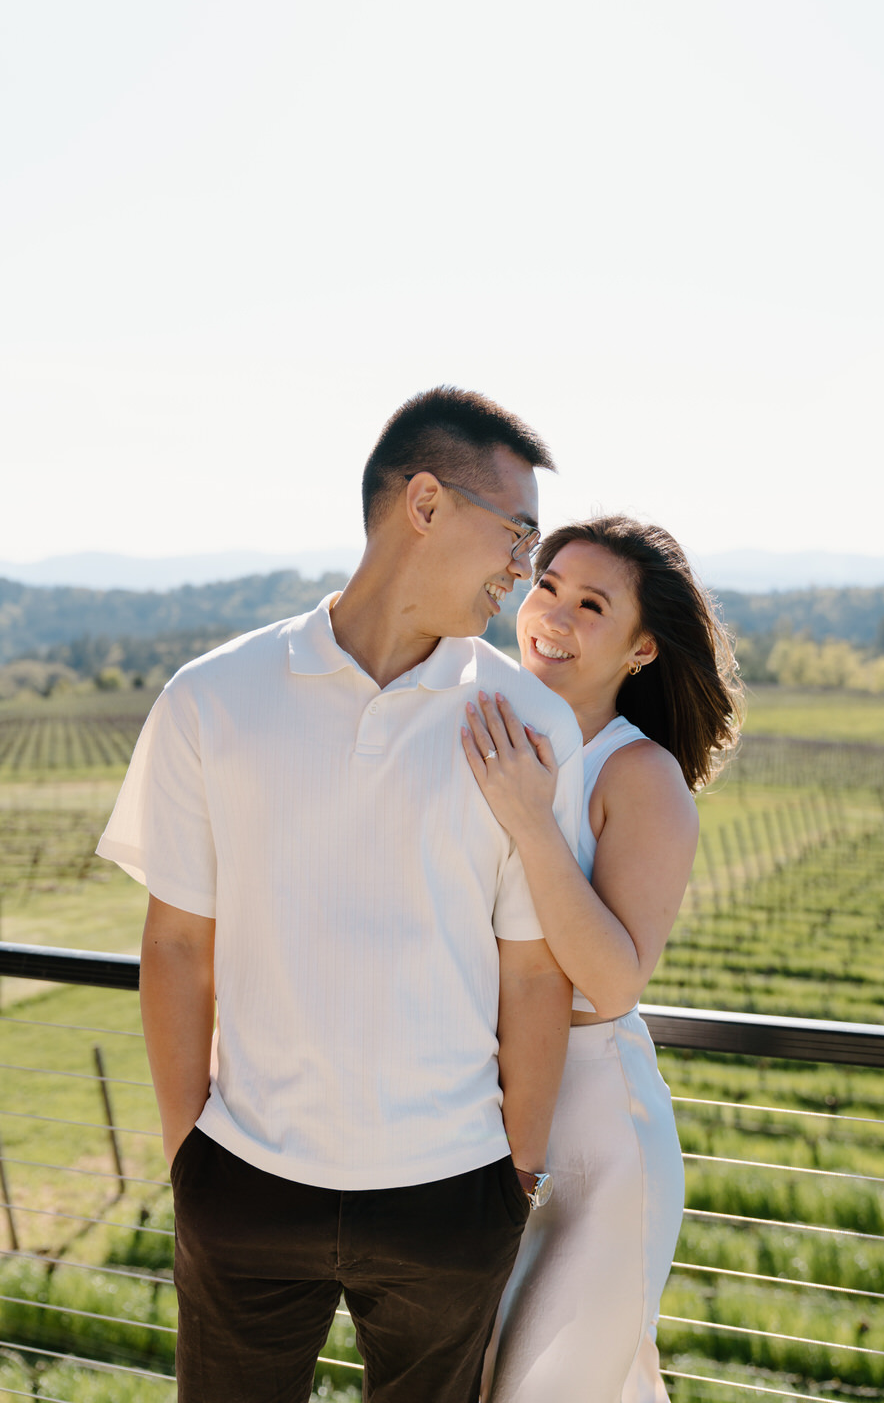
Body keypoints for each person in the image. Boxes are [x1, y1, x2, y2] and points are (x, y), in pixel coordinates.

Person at [96, 386, 585, 1403]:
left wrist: (515, 1181)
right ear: (424, 503)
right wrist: (192, 1161)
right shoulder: (211, 698)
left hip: (452, 1197)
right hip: (245, 1187)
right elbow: (176, 947)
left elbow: (536, 973)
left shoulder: (529, 723)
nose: (523, 571)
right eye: (517, 532)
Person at [462, 514, 741, 1403]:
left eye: (592, 604)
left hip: (599, 1150)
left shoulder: (640, 776)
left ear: (643, 647)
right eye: (547, 586)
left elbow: (615, 980)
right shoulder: (479, 722)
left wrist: (532, 819)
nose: (555, 614)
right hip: (476, 1121)